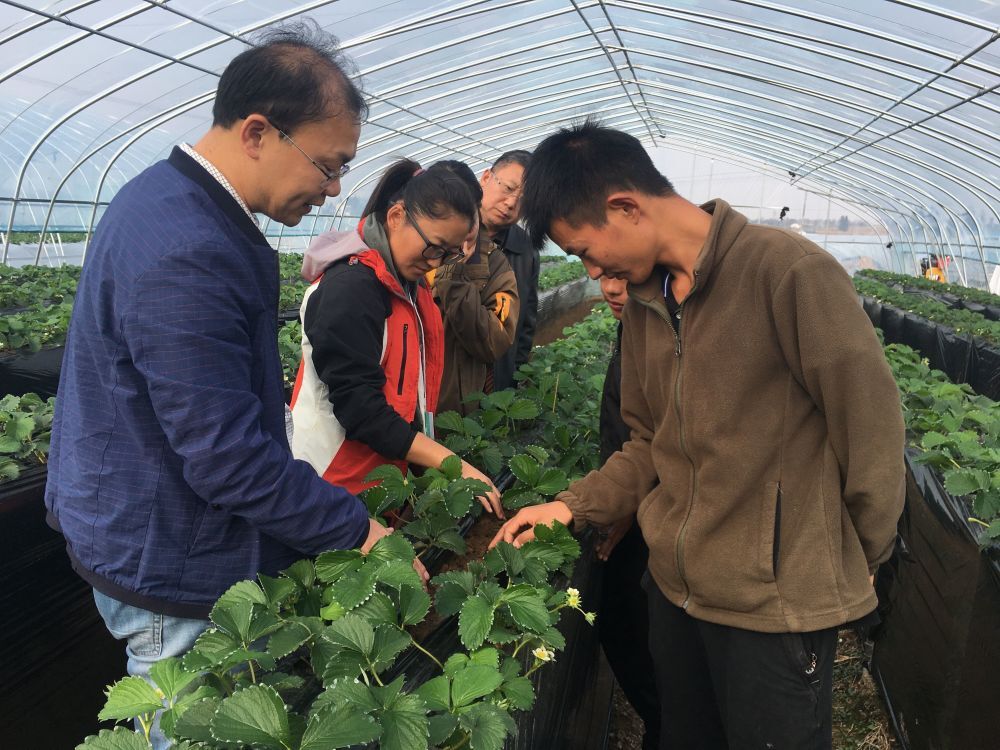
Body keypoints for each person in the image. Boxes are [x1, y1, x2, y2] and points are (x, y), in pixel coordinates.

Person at [491, 121, 905, 750]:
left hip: (772, 609)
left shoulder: (786, 272)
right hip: (676, 596)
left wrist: (855, 560)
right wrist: (571, 506)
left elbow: (869, 427)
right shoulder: (646, 303)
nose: (593, 271)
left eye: (585, 251)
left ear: (625, 207)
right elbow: (646, 443)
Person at [43, 24, 401, 749]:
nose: (334, 189)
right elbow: (227, 457)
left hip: (144, 524)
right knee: (189, 732)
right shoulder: (190, 248)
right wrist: (356, 530)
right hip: (166, 560)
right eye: (328, 165)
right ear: (258, 132)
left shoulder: (168, 200)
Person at [291, 158, 503, 515]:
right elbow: (360, 409)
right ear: (396, 216)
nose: (435, 263)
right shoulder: (351, 289)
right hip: (333, 484)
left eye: (448, 254)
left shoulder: (409, 287)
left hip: (381, 478)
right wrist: (451, 463)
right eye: (434, 247)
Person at [593, 276, 660, 750]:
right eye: (598, 273)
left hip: (649, 513)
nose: (609, 288)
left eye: (619, 274)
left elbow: (664, 439)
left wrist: (630, 506)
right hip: (627, 497)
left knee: (632, 625)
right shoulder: (635, 323)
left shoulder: (670, 327)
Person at [431, 160, 520, 415]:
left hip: (454, 413)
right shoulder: (408, 255)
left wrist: (454, 276)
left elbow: (495, 341)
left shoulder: (495, 262)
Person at [482, 150, 539, 391]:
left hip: (498, 382)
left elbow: (526, 322)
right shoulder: (449, 234)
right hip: (445, 384)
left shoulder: (526, 249)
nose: (511, 203)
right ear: (486, 178)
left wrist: (515, 376)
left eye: (523, 200)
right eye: (508, 188)